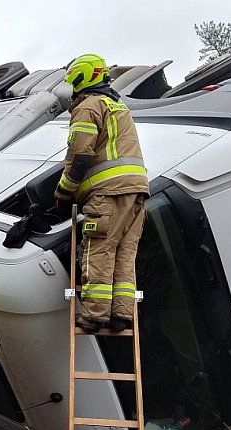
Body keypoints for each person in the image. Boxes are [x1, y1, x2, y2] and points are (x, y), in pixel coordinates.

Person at [54, 53, 150, 333]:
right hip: (137, 191)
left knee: (99, 250)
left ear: (82, 78)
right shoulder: (118, 106)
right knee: (124, 253)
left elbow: (80, 155)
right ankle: (121, 315)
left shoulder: (88, 106)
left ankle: (95, 315)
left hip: (108, 193)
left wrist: (63, 191)